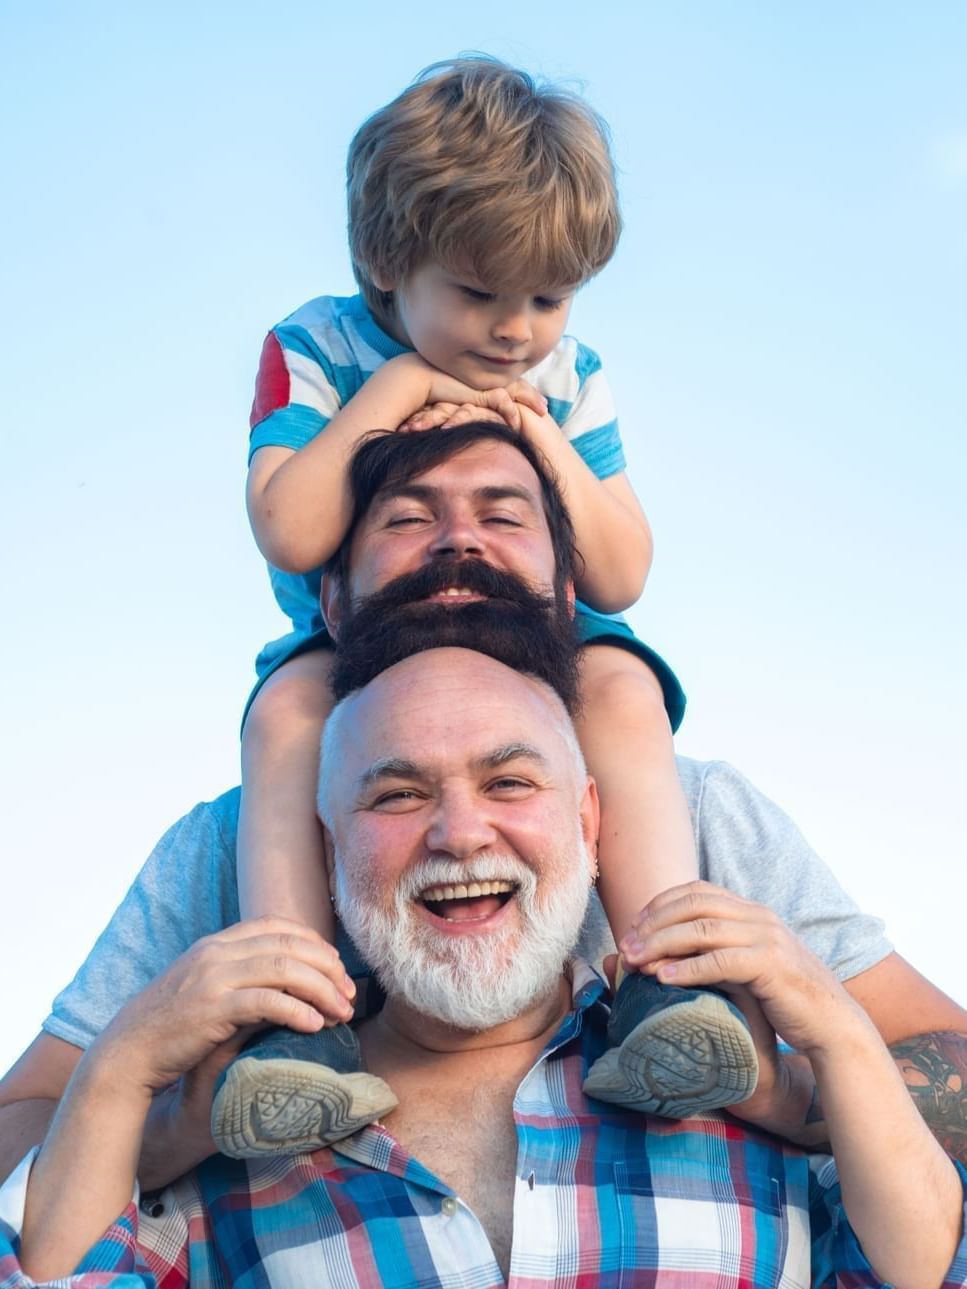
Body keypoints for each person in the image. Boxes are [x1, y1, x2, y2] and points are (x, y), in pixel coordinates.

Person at [1, 422, 965, 1192]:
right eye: (407, 520)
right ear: (329, 602)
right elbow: (20, 1127)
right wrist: (172, 1120)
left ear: (568, 592)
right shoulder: (223, 847)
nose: (458, 539)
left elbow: (943, 1057)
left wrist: (783, 1086)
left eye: (503, 517)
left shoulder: (699, 811)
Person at [3, 649, 966, 1286]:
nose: (460, 833)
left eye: (509, 782)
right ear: (328, 853)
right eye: (397, 792)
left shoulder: (733, 1094)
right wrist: (126, 1059)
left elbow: (919, 1268)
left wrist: (836, 1030)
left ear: (590, 823)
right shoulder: (236, 1154)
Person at [230, 52, 756, 1152]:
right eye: (477, 293)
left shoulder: (571, 379)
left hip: (532, 639)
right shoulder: (316, 347)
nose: (517, 331)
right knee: (287, 715)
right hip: (366, 642)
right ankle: (295, 1024)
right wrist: (394, 392)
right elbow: (291, 526)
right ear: (387, 259)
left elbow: (617, 572)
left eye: (547, 298)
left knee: (620, 681)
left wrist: (544, 442)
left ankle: (665, 986)